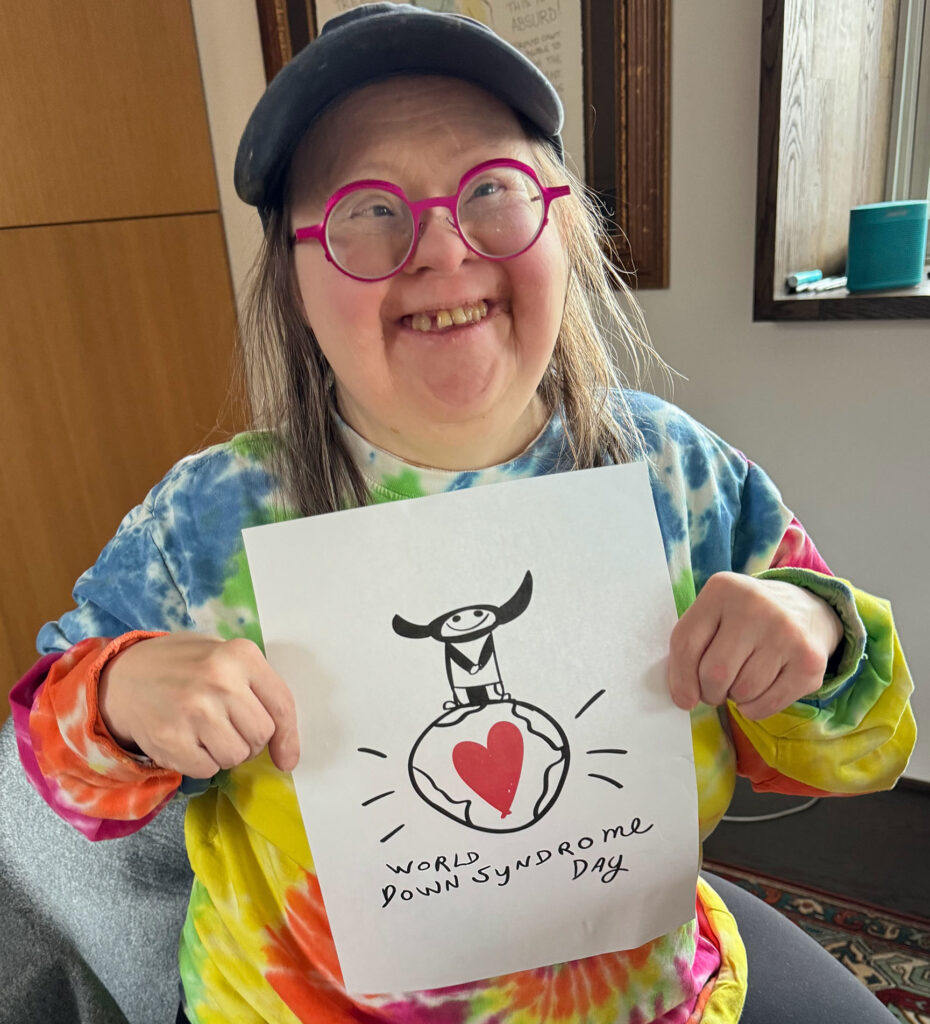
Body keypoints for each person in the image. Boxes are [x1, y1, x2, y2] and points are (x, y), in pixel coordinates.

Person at [9, 4, 915, 1023]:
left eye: (491, 189)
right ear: (296, 276)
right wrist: (120, 694)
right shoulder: (211, 523)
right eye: (367, 209)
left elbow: (851, 746)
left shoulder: (673, 473)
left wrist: (815, 632)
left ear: (562, 221)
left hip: (638, 999)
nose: (441, 249)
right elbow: (52, 768)